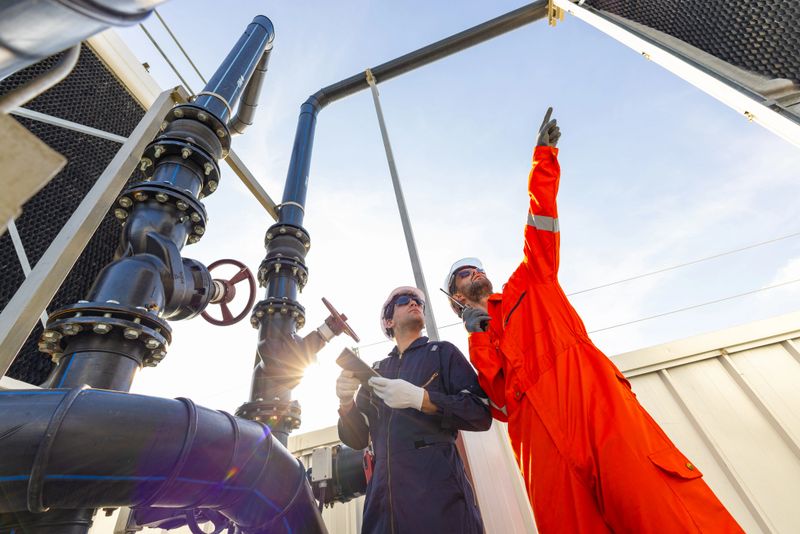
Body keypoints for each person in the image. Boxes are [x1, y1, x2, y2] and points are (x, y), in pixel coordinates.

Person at [444, 108, 743, 533]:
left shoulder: (529, 281)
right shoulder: (480, 342)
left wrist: (543, 161)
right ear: (457, 298)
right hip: (540, 445)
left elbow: (541, 225)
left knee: (658, 508)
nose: (474, 272)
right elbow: (503, 408)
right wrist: (477, 337)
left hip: (592, 404)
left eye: (476, 267)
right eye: (463, 274)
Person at [336, 286, 490, 534]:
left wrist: (422, 399)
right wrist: (346, 403)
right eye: (404, 300)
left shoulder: (443, 353)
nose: (414, 302)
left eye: (419, 301)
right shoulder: (377, 370)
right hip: (384, 510)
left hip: (441, 504)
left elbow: (479, 412)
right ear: (388, 321)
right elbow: (357, 438)